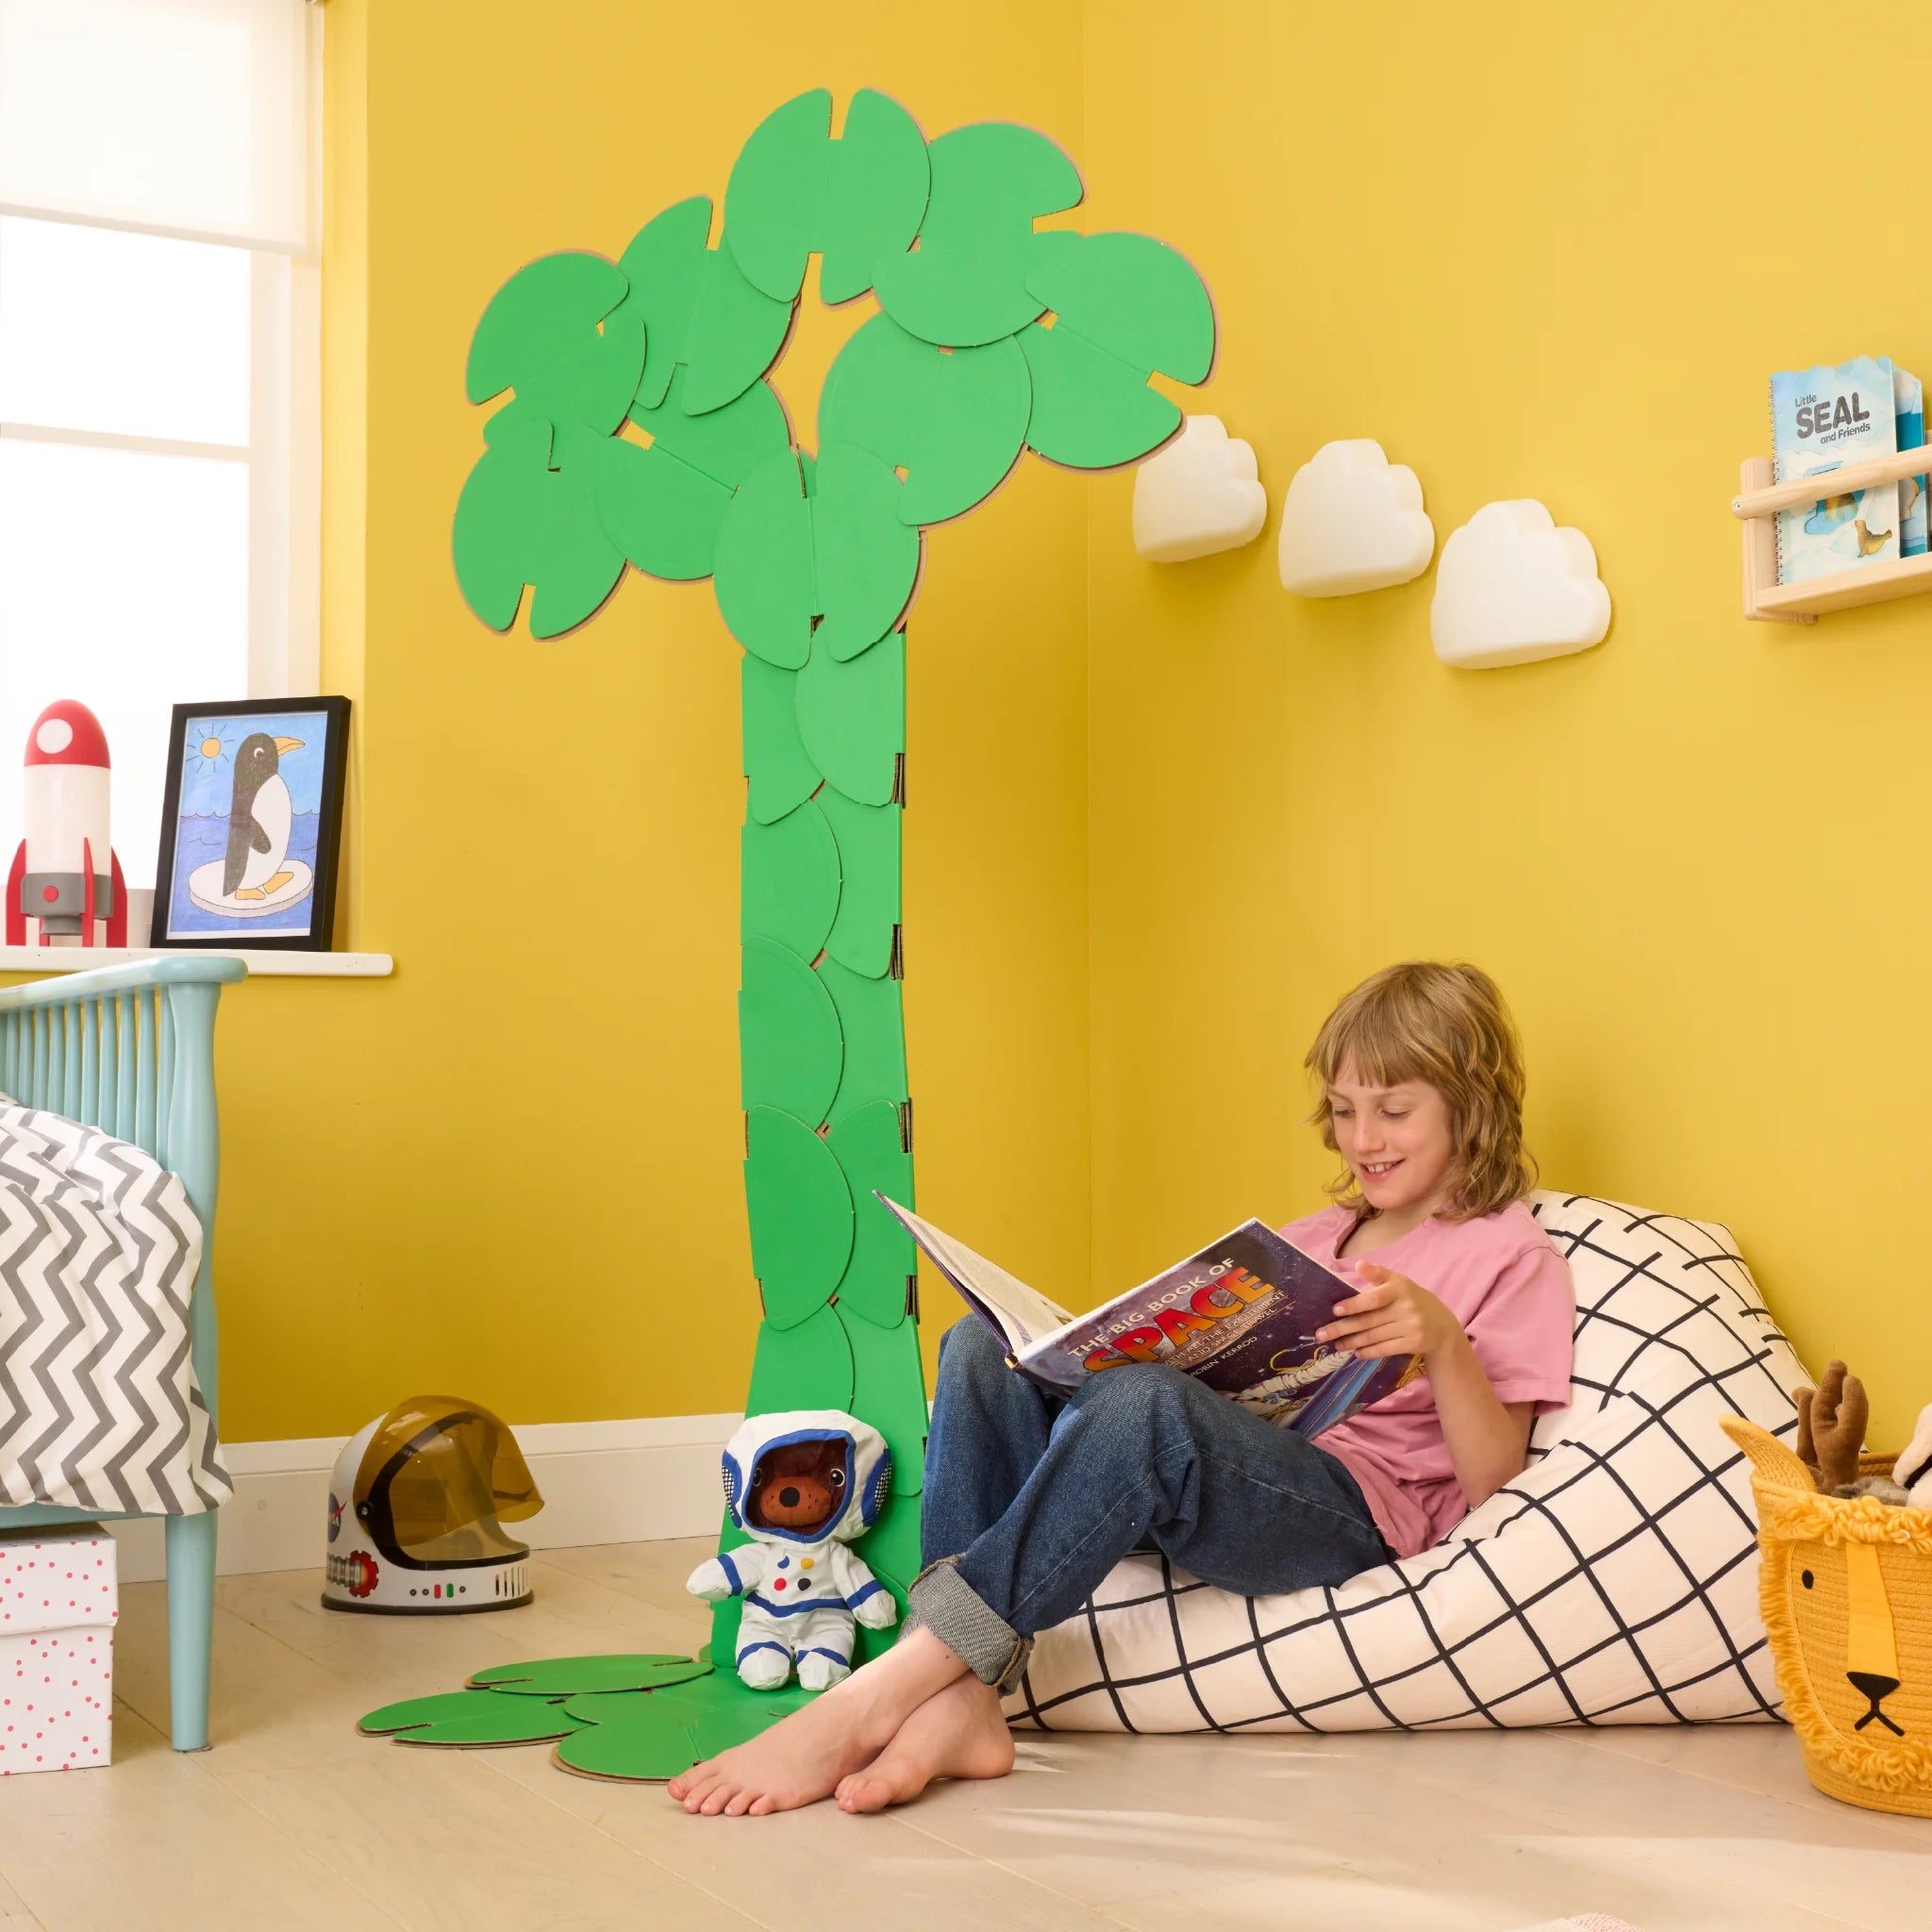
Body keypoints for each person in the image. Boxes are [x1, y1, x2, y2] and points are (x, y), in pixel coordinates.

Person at [668, 960, 1575, 1817]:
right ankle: (964, 1702)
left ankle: (899, 1682)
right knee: (982, 1348)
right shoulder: (1319, 1232)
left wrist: (1446, 1345)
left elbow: (1497, 1484)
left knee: (1145, 1408)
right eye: (1342, 1111)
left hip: (1353, 1515)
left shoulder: (1509, 1253)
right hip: (1246, 1461)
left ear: (1471, 1104)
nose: (1363, 1139)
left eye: (1395, 1111)